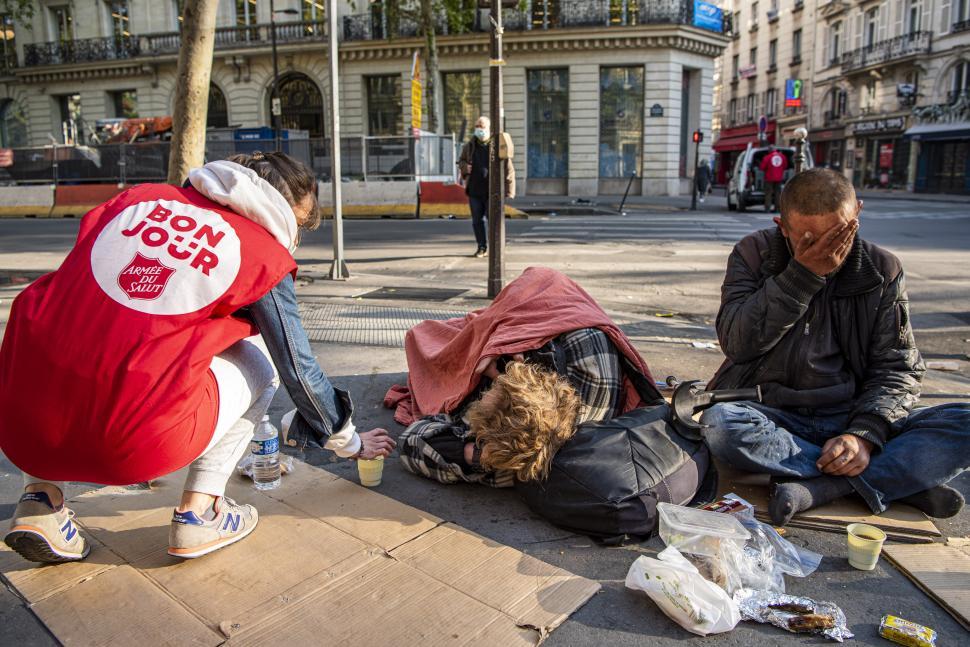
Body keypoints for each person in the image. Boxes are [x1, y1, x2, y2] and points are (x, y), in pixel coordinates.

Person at [0, 152, 395, 564]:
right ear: (281, 211)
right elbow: (297, 366)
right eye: (298, 226)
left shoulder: (139, 198)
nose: (295, 238)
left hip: (21, 423)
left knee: (69, 325)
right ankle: (200, 512)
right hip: (133, 444)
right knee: (259, 360)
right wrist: (349, 442)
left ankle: (40, 502)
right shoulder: (262, 253)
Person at [699, 168, 969, 526]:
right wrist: (802, 275)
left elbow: (898, 368)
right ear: (783, 227)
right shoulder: (753, 253)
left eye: (839, 235)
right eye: (809, 241)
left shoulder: (882, 268)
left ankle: (820, 488)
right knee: (719, 424)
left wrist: (863, 436)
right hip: (772, 415)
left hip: (849, 414)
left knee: (963, 422)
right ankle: (887, 482)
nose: (829, 252)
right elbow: (738, 344)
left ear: (856, 214)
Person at [390, 267, 662, 488]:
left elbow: (412, 442)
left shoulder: (506, 463)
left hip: (509, 333)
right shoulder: (588, 354)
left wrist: (472, 456)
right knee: (462, 331)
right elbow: (545, 279)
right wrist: (510, 338)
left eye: (487, 394)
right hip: (542, 321)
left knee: (423, 336)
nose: (485, 394)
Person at [457, 116, 515, 258]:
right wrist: (465, 168)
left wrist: (509, 190)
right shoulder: (469, 146)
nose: (479, 129)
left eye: (482, 126)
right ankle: (482, 247)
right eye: (477, 126)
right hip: (474, 191)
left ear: (488, 128)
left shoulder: (497, 145)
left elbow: (509, 168)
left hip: (492, 191)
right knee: (477, 221)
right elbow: (461, 162)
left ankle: (496, 247)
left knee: (493, 221)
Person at [759, 146, 788, 212]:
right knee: (778, 193)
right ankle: (777, 208)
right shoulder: (782, 156)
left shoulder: (767, 157)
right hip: (779, 178)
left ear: (769, 150)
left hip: (769, 178)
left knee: (768, 193)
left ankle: (767, 208)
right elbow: (785, 166)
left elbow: (762, 167)